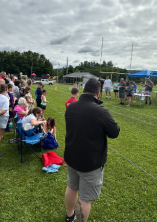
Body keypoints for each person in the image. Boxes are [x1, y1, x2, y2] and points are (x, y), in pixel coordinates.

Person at [64, 76, 120, 222]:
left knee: (72, 187)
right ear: (98, 93)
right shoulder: (100, 111)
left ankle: (69, 216)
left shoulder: (71, 107)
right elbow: (115, 132)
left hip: (71, 156)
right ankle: (71, 216)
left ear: (84, 89)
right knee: (85, 198)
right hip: (90, 161)